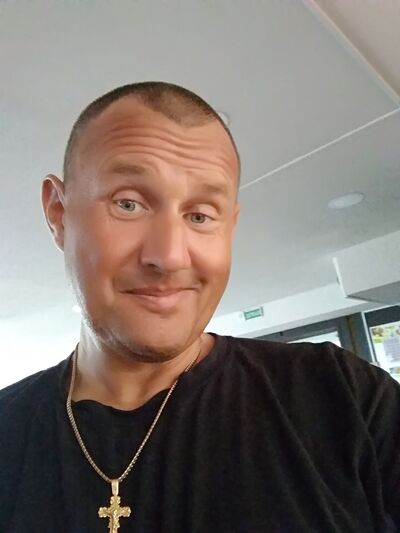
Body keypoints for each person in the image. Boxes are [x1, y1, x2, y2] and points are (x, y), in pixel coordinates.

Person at [0, 82, 399, 533]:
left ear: (230, 226)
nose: (169, 256)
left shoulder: (343, 398)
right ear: (59, 213)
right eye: (128, 203)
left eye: (200, 215)